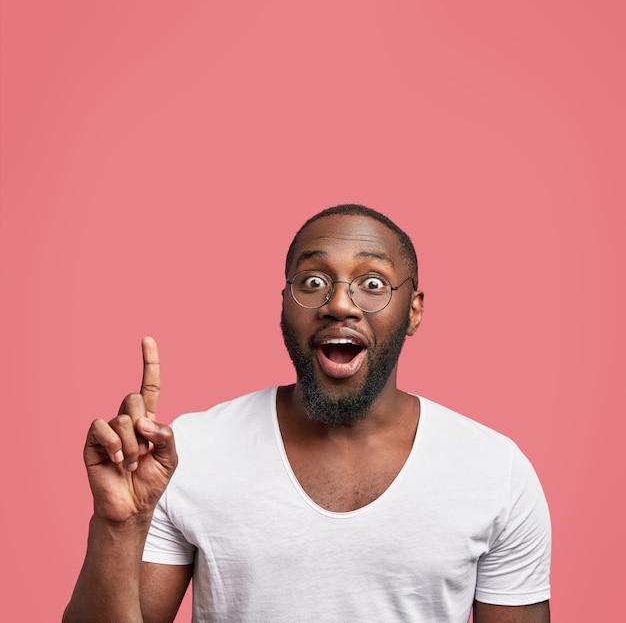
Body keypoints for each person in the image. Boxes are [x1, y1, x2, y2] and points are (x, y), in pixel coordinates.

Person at [63, 204, 551, 622]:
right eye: (314, 281)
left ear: (414, 311)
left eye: (373, 283)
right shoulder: (189, 452)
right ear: (284, 305)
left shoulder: (494, 470)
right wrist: (118, 526)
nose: (339, 303)